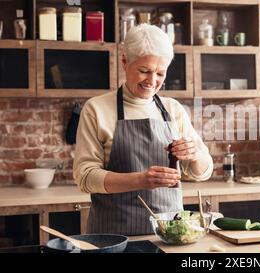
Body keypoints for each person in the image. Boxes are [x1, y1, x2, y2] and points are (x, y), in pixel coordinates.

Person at [73, 24, 213, 235]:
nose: (152, 81)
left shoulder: (172, 109)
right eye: (144, 71)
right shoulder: (96, 109)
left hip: (171, 236)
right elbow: (85, 178)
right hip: (113, 238)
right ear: (124, 62)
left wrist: (194, 155)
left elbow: (204, 171)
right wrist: (140, 180)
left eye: (160, 73)